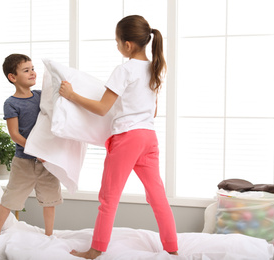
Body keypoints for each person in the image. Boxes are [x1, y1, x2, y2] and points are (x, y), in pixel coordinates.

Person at [59, 15, 178, 258]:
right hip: (149, 137)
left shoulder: (124, 70)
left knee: (108, 197)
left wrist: (71, 96)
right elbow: (153, 110)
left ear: (127, 45)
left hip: (128, 139)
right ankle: (172, 250)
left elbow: (102, 108)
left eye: (116, 42)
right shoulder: (155, 67)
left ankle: (95, 250)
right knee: (157, 197)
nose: (116, 46)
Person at [0, 54, 63, 236]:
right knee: (10, 198)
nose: (32, 73)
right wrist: (35, 149)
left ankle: (49, 235)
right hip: (24, 162)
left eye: (33, 69)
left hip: (46, 161)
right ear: (12, 77)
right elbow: (14, 134)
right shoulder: (11, 103)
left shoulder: (40, 96)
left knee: (50, 200)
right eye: (26, 70)